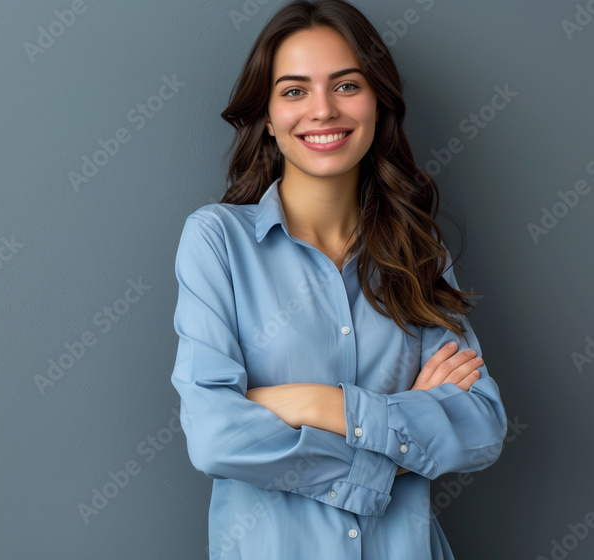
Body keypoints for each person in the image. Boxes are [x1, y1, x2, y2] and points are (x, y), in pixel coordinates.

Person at [169, 1, 508, 558]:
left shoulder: (420, 251)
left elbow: (480, 425)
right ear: (269, 116)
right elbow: (215, 436)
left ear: (378, 103)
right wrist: (393, 446)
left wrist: (314, 402)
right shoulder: (217, 242)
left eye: (346, 85)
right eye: (295, 91)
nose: (322, 110)